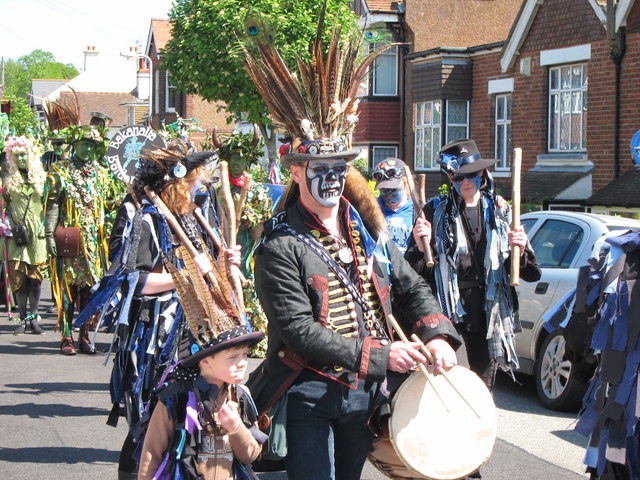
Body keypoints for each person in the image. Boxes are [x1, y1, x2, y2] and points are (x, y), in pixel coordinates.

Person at [406, 139, 541, 393]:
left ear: (482, 172)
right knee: (454, 383)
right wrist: (421, 246)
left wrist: (520, 249)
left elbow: (531, 273)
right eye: (458, 177)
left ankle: (481, 433)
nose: (465, 182)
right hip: (449, 315)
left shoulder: (502, 212)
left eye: (471, 174)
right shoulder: (433, 212)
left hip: (490, 315)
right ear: (449, 177)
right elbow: (412, 276)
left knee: (482, 388)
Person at [137, 323, 266, 480]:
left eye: (245, 354)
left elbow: (251, 456)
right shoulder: (175, 398)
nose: (242, 362)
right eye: (233, 357)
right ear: (205, 361)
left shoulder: (240, 396)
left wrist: (237, 428)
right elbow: (151, 453)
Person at [44, 125, 112, 355]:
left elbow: (109, 205)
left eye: (91, 145)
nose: (87, 149)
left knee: (89, 291)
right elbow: (52, 205)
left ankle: (84, 335)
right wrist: (48, 234)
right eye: (83, 144)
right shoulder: (60, 171)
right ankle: (66, 337)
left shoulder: (102, 173)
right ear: (74, 146)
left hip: (92, 243)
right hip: (68, 238)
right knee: (67, 289)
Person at [3, 136, 47, 335]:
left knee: (35, 279)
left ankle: (34, 318)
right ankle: (22, 318)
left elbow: (49, 205)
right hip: (17, 235)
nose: (21, 159)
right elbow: (3, 206)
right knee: (19, 279)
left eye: (24, 155)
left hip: (37, 235)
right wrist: (5, 223)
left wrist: (45, 226)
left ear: (31, 155)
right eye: (17, 155)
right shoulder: (8, 179)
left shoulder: (42, 178)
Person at [373, 158, 415, 255]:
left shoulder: (418, 211)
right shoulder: (371, 210)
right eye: (383, 188)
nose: (388, 192)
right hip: (381, 268)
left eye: (393, 187)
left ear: (405, 183)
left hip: (410, 268)